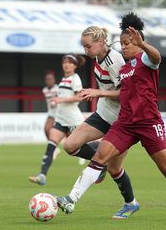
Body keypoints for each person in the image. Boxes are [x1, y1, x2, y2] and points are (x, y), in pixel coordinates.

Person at [56, 12, 166, 220]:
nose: (123, 47)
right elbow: (123, 92)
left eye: (128, 43)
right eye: (121, 43)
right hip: (125, 123)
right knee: (100, 158)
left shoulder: (146, 60)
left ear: (139, 42)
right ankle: (71, 199)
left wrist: (144, 45)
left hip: (149, 123)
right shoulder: (125, 67)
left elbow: (157, 57)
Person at [60, 25, 139, 219]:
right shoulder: (98, 57)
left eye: (88, 46)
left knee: (115, 169)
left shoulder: (115, 61)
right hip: (104, 114)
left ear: (101, 42)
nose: (86, 50)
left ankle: (131, 204)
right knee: (70, 145)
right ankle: (100, 163)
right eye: (84, 46)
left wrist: (98, 92)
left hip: (122, 120)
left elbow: (127, 94)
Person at [29, 54, 86, 185]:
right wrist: (58, 101)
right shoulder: (62, 80)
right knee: (51, 146)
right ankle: (42, 175)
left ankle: (101, 163)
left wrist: (60, 100)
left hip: (73, 120)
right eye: (64, 62)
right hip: (61, 119)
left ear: (75, 66)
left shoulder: (75, 79)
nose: (66, 64)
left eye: (70, 62)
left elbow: (79, 97)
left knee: (80, 149)